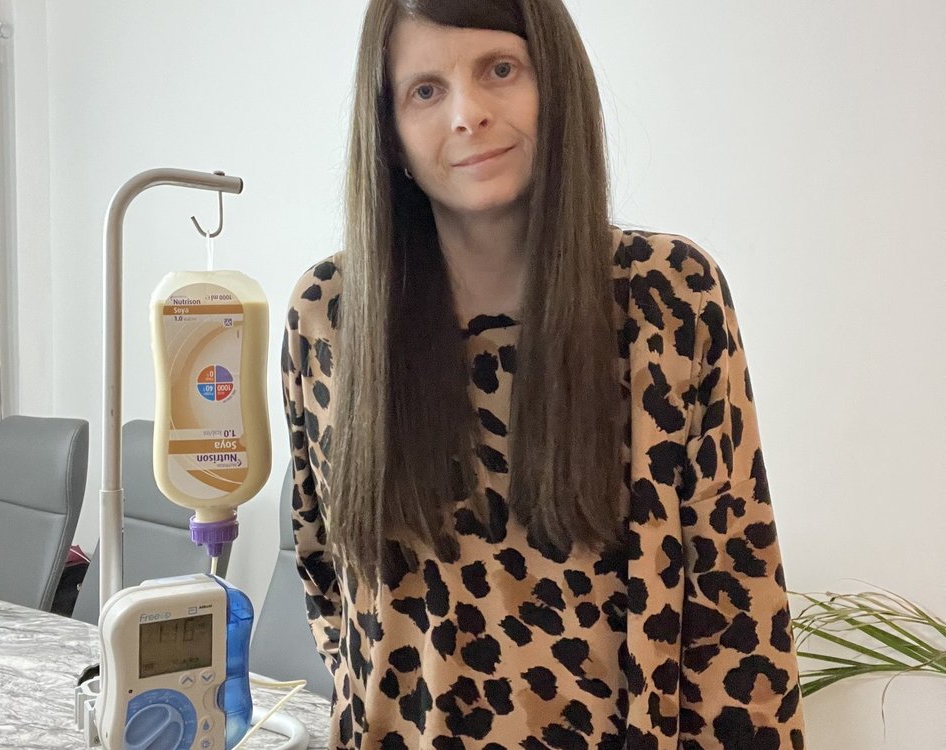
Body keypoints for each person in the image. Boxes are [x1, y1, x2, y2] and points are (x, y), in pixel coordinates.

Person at [280, 1, 808, 748]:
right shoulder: (328, 314)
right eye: (424, 90)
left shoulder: (670, 296)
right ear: (389, 131)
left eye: (500, 69)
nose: (468, 114)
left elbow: (738, 607)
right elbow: (324, 576)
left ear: (555, 85)